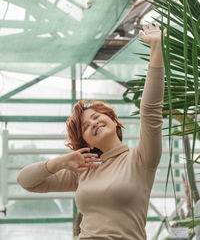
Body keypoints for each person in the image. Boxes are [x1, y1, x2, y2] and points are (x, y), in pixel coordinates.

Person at [17, 22, 166, 240]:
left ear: (114, 121)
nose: (93, 123)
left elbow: (151, 110)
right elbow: (26, 181)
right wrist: (59, 162)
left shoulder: (142, 159)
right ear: (86, 142)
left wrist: (156, 50)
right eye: (85, 126)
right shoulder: (84, 169)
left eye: (97, 116)